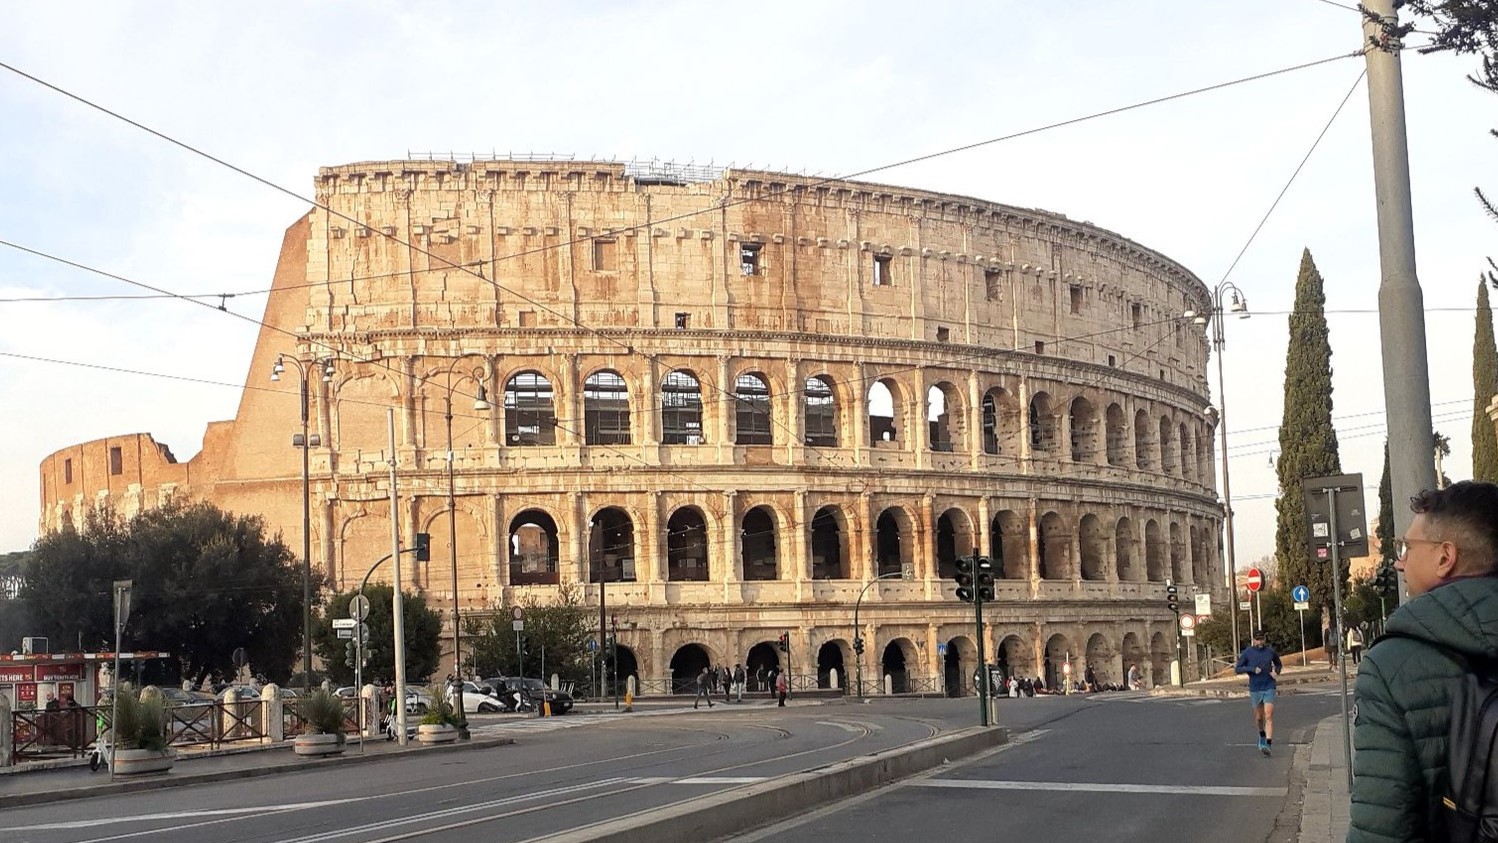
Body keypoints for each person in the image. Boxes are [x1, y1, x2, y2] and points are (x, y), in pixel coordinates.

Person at [1348, 481, 1498, 842]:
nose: (1399, 562)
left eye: (1407, 547)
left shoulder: (1391, 665)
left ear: (1445, 557)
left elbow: (1382, 829)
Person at [1235, 628, 1281, 755]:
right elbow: (1238, 669)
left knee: (1268, 715)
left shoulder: (1270, 652)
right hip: (1255, 688)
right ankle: (1261, 735)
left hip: (1269, 686)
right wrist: (1251, 669)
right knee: (1259, 718)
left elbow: (1278, 664)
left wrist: (1276, 672)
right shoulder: (1248, 653)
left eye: (1262, 639)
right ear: (1254, 640)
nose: (1260, 641)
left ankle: (1268, 744)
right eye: (1258, 639)